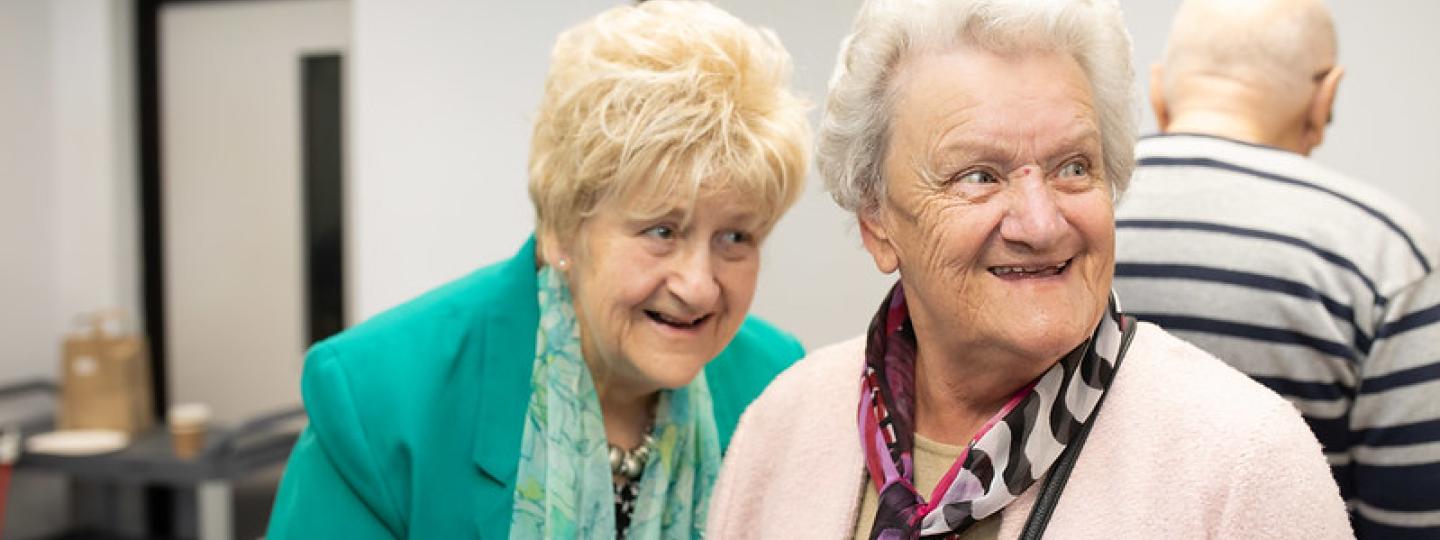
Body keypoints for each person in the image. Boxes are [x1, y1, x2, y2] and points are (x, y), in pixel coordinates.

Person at [707, 0, 1351, 538]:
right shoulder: (781, 426)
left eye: (1073, 166)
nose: (1042, 224)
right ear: (878, 223)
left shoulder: (1244, 467)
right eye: (979, 176)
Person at [265, 1, 811, 537]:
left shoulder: (776, 387)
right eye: (661, 231)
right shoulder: (377, 397)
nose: (697, 286)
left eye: (735, 237)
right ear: (561, 228)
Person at [1113, 0, 1440, 536]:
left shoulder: (1077, 218)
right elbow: (1413, 515)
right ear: (1326, 96)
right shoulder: (1386, 251)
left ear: (1158, 89)